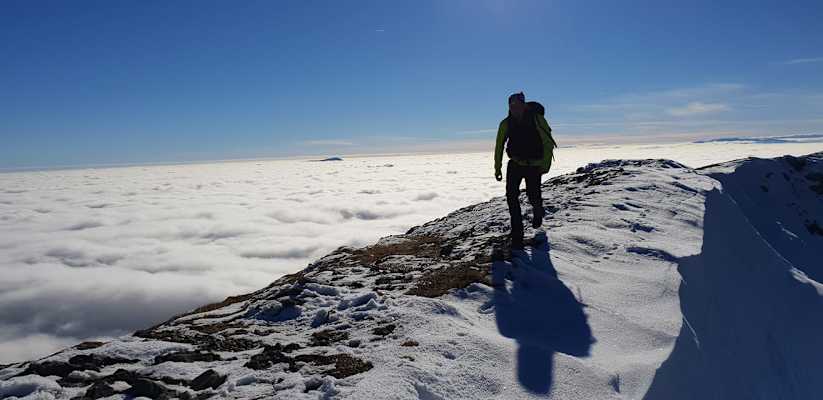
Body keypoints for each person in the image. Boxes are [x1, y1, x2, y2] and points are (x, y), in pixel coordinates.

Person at [494, 92, 556, 249]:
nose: (514, 108)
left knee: (533, 194)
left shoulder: (536, 119)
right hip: (514, 164)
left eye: (517, 105)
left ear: (524, 104)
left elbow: (548, 142)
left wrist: (545, 165)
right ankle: (517, 234)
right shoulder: (506, 123)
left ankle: (538, 210)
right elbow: (499, 146)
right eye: (511, 106)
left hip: (534, 165)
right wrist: (497, 167)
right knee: (511, 197)